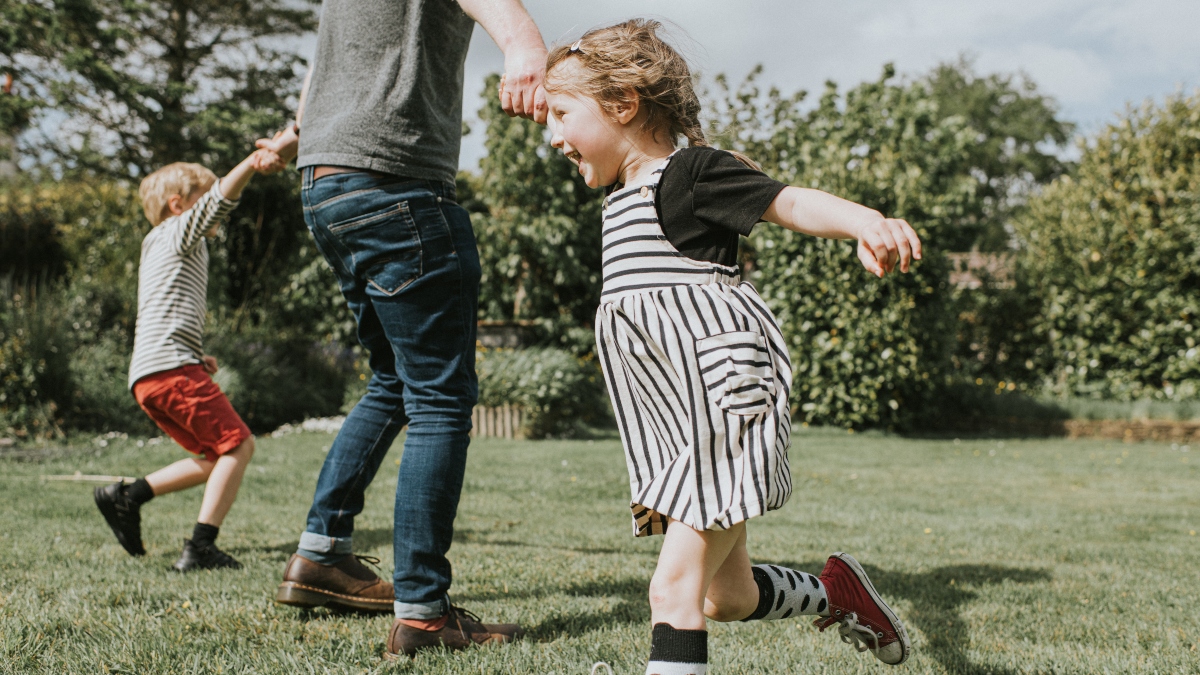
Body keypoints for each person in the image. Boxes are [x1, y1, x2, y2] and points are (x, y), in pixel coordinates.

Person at [543, 20, 920, 673]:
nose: (551, 135)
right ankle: (840, 591)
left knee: (672, 589)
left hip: (722, 407)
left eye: (560, 113)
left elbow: (788, 201)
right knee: (728, 595)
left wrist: (865, 221)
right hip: (679, 424)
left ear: (622, 104)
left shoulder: (689, 174)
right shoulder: (619, 197)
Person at [252, 0, 548, 660]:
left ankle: (320, 554)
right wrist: (523, 43)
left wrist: (302, 128)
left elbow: (324, 67)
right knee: (440, 398)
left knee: (394, 377)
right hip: (394, 176)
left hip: (327, 180)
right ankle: (422, 613)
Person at [94, 150, 273, 572]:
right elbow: (220, 202)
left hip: (150, 373)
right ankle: (200, 547)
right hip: (171, 368)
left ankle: (128, 496)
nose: (216, 210)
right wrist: (250, 162)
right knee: (238, 445)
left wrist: (195, 354)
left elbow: (164, 309)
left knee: (215, 456)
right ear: (178, 203)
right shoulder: (178, 230)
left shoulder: (157, 244)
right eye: (203, 195)